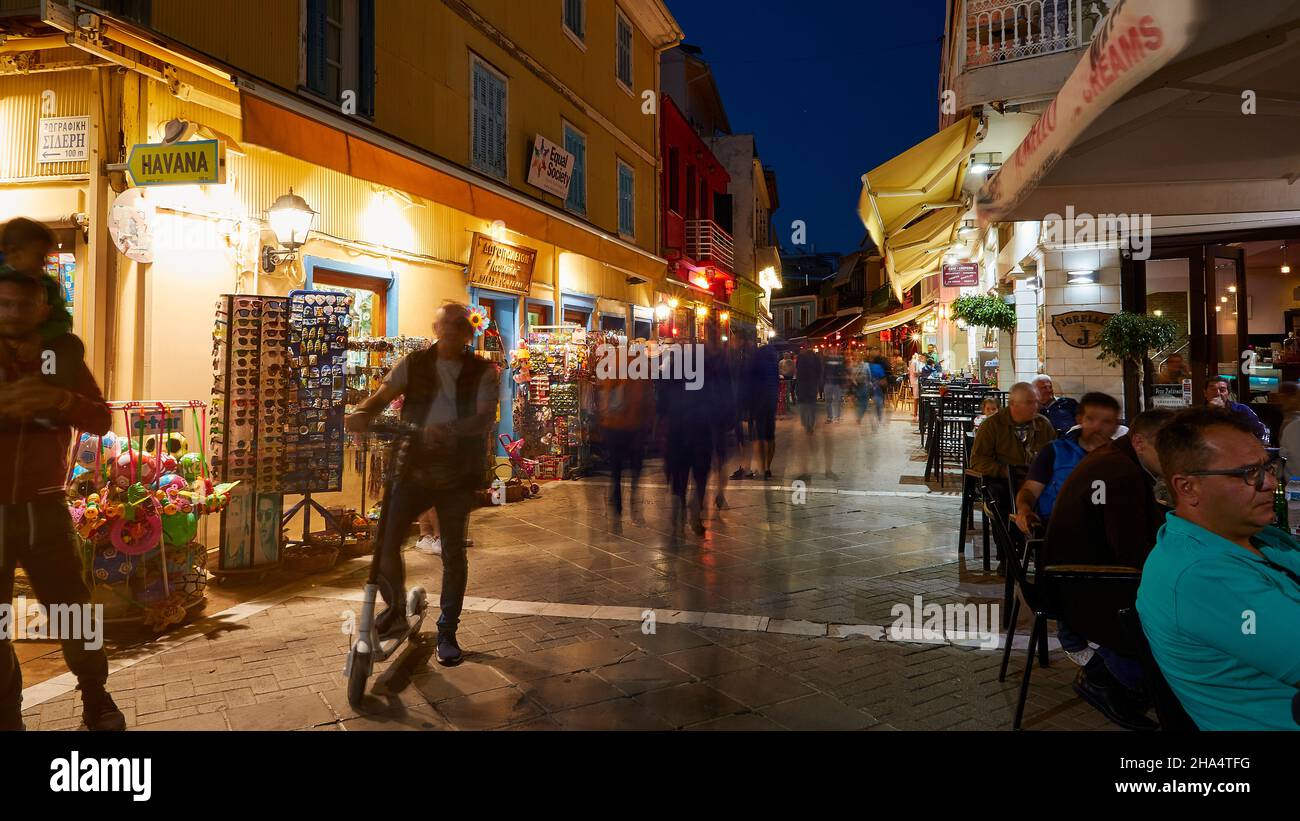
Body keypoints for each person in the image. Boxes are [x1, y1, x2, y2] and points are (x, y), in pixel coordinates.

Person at [0, 269, 123, 731]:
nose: (12, 313)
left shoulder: (58, 356)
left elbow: (100, 419)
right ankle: (7, 712)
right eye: (4, 303)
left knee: (74, 610)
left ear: (41, 310)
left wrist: (58, 399)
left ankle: (96, 695)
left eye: (22, 305)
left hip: (46, 507)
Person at [345, 302, 499, 667]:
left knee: (453, 554)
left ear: (467, 333)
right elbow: (382, 396)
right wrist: (363, 413)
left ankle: (448, 630)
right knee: (386, 540)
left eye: (457, 328)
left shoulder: (483, 371)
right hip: (411, 466)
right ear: (436, 328)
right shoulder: (413, 363)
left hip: (456, 473)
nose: (449, 333)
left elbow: (482, 419)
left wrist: (448, 430)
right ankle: (395, 609)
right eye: (444, 326)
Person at [1138, 407, 1300, 730]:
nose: (1269, 482)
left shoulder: (1253, 534)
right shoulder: (1199, 575)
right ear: (1187, 488)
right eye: (1248, 474)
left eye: (1268, 467)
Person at [1012, 392, 1121, 534]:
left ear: (1116, 426)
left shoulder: (1120, 459)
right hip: (1056, 529)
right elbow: (1030, 490)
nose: (1097, 427)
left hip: (1106, 531)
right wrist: (1024, 510)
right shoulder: (1055, 451)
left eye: (1106, 422)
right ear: (1079, 419)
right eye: (1091, 419)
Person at [596, 345, 653, 524]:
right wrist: (649, 425)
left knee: (616, 470)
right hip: (635, 427)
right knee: (636, 467)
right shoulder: (642, 369)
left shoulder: (611, 366)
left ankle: (617, 506)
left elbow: (603, 396)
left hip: (614, 427)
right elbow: (648, 399)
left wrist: (603, 422)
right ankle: (634, 500)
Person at [0, 218, 73, 345]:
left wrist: (39, 336)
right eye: (39, 256)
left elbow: (64, 321)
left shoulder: (49, 286)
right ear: (14, 254)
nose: (44, 263)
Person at [746, 342, 780, 479]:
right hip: (771, 403)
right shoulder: (773, 365)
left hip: (758, 403)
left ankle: (760, 467)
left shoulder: (756, 364)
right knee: (770, 437)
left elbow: (751, 385)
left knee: (758, 437)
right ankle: (767, 468)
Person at [794, 347, 828, 480]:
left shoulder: (801, 360)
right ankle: (810, 426)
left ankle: (805, 424)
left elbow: (798, 373)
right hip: (811, 388)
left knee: (804, 407)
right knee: (811, 407)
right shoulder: (815, 360)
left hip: (803, 388)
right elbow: (820, 372)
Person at [1203, 378, 1269, 442]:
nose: (1217, 393)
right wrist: (1211, 411)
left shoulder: (1241, 410)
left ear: (1228, 393)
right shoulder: (1199, 414)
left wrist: (1262, 444)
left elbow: (1261, 429)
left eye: (1222, 390)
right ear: (1205, 393)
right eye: (1213, 389)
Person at [822, 346, 846, 423]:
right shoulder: (825, 360)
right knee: (829, 401)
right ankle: (830, 417)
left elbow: (842, 371)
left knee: (837, 401)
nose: (833, 351)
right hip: (829, 383)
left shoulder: (839, 360)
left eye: (834, 350)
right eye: (832, 350)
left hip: (836, 384)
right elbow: (822, 371)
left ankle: (836, 417)